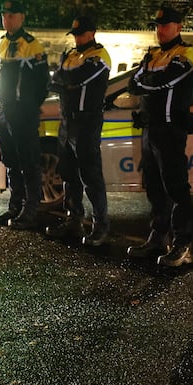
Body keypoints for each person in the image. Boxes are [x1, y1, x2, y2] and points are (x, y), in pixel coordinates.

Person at [126, 6, 193, 267]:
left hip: (170, 130)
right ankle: (158, 237)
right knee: (154, 187)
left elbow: (162, 82)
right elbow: (133, 82)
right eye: (157, 25)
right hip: (150, 129)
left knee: (176, 188)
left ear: (178, 27)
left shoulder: (184, 53)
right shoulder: (154, 54)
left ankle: (182, 242)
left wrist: (147, 78)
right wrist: (148, 78)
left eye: (166, 25)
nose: (160, 30)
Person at [45, 16, 112, 246]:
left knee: (90, 176)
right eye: (74, 33)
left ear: (92, 32)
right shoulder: (72, 54)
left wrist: (64, 81)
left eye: (81, 33)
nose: (77, 37)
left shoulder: (99, 56)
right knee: (68, 173)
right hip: (67, 121)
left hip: (87, 122)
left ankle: (100, 225)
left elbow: (75, 78)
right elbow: (58, 80)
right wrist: (65, 82)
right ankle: (74, 219)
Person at [0, 0, 50, 230]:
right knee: (11, 160)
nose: (7, 19)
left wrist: (28, 105)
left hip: (23, 113)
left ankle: (30, 207)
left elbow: (43, 81)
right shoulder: (3, 42)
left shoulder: (32, 45)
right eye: (4, 15)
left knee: (28, 161)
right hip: (5, 111)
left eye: (11, 15)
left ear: (22, 17)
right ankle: (15, 206)